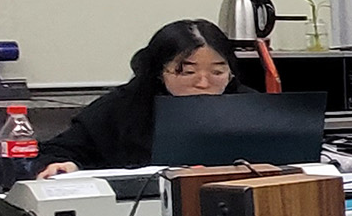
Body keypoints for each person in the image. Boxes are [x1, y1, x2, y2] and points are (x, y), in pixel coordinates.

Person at [34, 19, 241, 177]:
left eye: (217, 72)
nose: (203, 83)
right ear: (159, 72)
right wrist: (65, 165)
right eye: (188, 72)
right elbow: (56, 153)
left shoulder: (248, 106)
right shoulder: (121, 107)